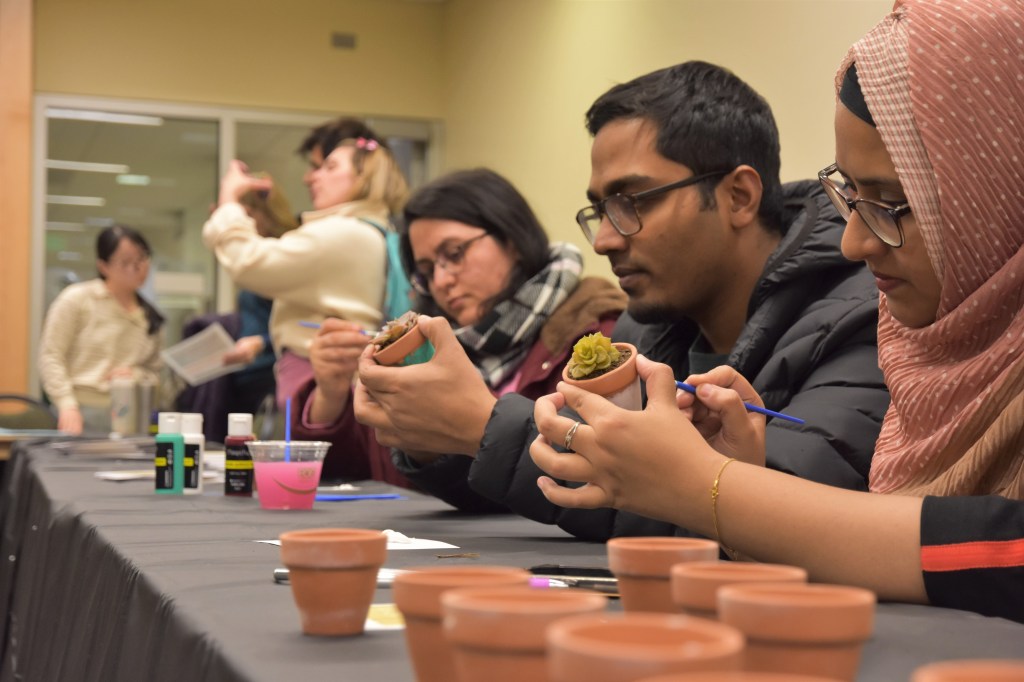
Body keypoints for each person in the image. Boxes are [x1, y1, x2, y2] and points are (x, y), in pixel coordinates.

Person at [530, 0, 1024, 623]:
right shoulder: (925, 341)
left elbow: (1003, 548)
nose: (854, 242)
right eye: (850, 196)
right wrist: (741, 480)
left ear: (1002, 188)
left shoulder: (863, 317)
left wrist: (711, 489)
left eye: (893, 202)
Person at [353, 61, 889, 539]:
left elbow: (774, 514)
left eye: (631, 202)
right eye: (600, 210)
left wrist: (481, 424)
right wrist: (440, 435)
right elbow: (568, 488)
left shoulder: (861, 316)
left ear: (738, 196)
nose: (606, 239)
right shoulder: (643, 330)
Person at [291, 168, 626, 493]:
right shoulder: (429, 346)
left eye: (453, 254)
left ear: (510, 238)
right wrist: (332, 393)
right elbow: (365, 475)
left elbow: (604, 480)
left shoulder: (600, 335)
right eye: (426, 271)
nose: (441, 281)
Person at [202, 117, 409, 409]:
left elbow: (246, 261)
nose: (311, 178)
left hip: (321, 382)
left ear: (364, 177)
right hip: (339, 380)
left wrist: (229, 201)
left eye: (329, 167)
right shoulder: (373, 231)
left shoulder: (342, 234)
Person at [38, 225, 164, 435]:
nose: (137, 268)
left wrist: (136, 374)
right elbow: (51, 356)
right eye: (126, 262)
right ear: (103, 266)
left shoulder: (152, 317)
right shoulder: (77, 299)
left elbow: (156, 374)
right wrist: (66, 404)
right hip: (79, 409)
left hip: (131, 413)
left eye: (142, 258)